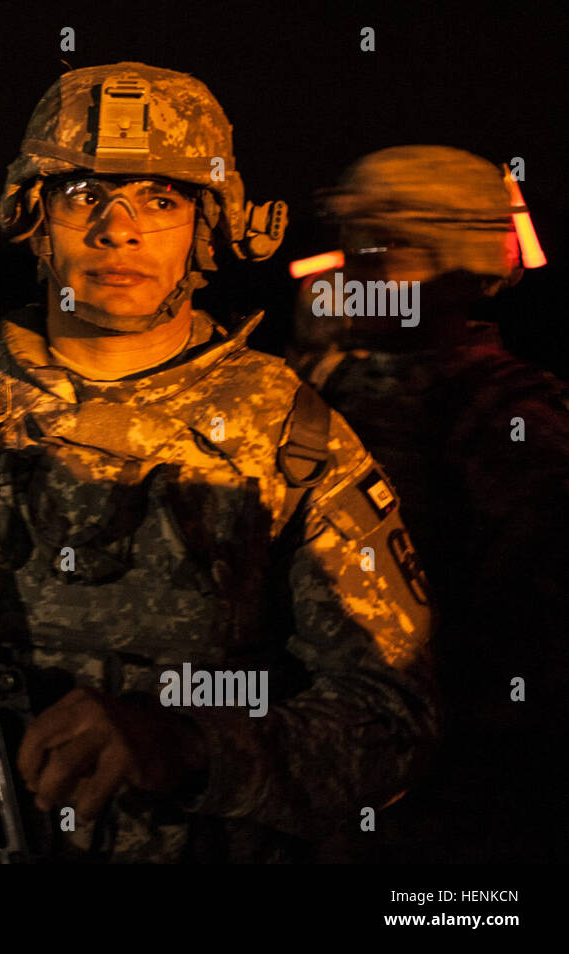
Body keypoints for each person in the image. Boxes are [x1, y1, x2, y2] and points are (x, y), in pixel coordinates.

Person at [0, 63, 438, 862]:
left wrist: (190, 746)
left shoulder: (290, 434)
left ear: (208, 225)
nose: (117, 230)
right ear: (35, 217)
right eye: (84, 195)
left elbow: (391, 720)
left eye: (160, 199)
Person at [289, 146, 569, 861]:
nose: (360, 268)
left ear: (463, 265)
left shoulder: (506, 413)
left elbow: (526, 651)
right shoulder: (324, 379)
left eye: (391, 248)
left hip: (446, 802)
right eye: (356, 244)